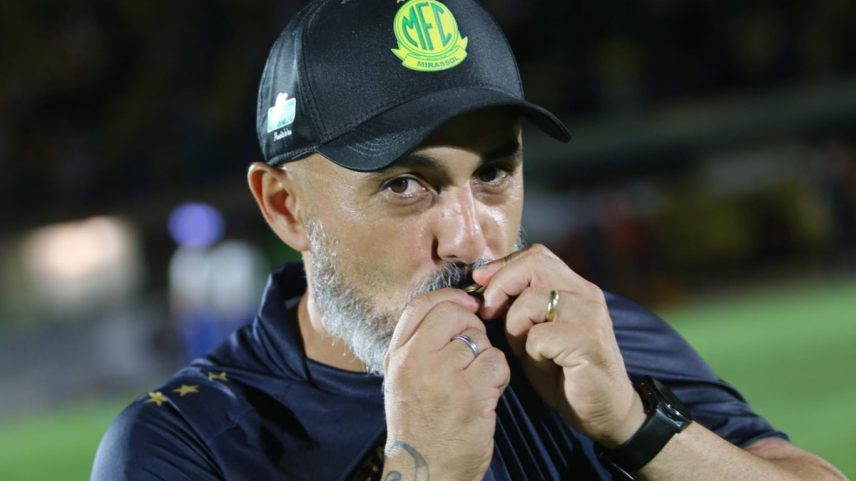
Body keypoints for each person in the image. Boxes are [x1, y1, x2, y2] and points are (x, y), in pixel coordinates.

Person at [92, 1, 847, 480]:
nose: (469, 237)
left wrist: (637, 424)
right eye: (403, 185)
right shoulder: (186, 444)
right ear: (286, 207)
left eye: (493, 175)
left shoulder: (587, 340)